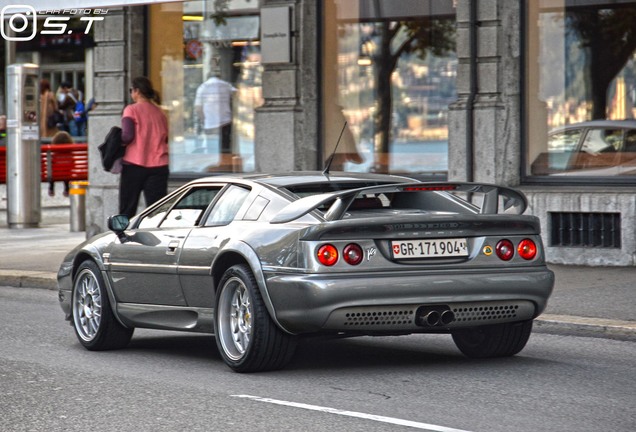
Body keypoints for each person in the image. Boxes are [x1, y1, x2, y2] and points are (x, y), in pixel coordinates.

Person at [119, 76, 169, 218]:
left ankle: (123, 236)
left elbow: (127, 136)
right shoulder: (160, 112)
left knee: (127, 209)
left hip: (134, 164)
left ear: (137, 91)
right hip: (159, 165)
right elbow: (165, 138)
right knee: (157, 212)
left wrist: (117, 142)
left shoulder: (131, 110)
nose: (131, 93)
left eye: (131, 90)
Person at [194, 70, 236, 154]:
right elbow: (237, 93)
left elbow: (198, 107)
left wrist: (203, 120)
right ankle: (225, 163)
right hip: (226, 122)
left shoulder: (202, 87)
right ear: (220, 76)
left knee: (212, 148)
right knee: (225, 147)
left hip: (210, 123)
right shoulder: (226, 85)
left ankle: (214, 164)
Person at [48, 131, 73, 197]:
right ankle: (67, 189)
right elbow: (72, 163)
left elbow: (50, 163)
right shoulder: (70, 151)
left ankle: (51, 188)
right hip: (67, 173)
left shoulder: (54, 151)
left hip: (55, 173)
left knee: (52, 170)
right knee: (66, 170)